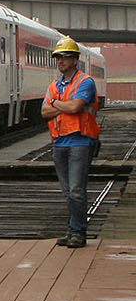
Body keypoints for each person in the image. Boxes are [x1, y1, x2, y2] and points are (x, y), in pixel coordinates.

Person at [42, 36, 101, 248]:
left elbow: (76, 107)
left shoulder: (85, 82)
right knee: (68, 192)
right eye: (58, 57)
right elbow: (44, 111)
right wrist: (63, 104)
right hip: (59, 143)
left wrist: (56, 103)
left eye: (65, 57)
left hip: (80, 142)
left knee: (76, 190)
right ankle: (72, 230)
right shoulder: (54, 86)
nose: (61, 61)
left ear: (75, 60)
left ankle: (78, 233)